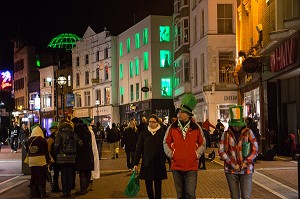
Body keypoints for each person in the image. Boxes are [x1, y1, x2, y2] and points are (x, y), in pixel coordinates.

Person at [164, 93, 206, 199]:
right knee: (180, 195)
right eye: (179, 111)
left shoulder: (196, 127)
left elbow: (203, 143)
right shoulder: (172, 127)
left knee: (190, 194)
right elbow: (166, 142)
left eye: (182, 112)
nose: (179, 114)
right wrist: (171, 154)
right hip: (176, 165)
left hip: (191, 166)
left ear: (188, 114)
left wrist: (197, 154)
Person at [219, 105, 258, 199]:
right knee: (234, 196)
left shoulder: (248, 132)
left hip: (246, 169)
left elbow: (255, 149)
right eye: (234, 124)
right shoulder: (226, 134)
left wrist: (246, 162)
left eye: (238, 124)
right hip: (231, 170)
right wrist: (233, 164)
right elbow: (221, 151)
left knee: (246, 196)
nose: (236, 127)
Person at [133, 114, 167, 199]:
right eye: (150, 122)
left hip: (158, 162)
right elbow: (139, 149)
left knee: (158, 184)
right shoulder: (144, 134)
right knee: (148, 184)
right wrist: (135, 163)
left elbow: (166, 148)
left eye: (153, 122)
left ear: (157, 123)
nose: (151, 124)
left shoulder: (162, 134)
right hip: (147, 162)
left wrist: (170, 161)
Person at [55, 119, 82, 198]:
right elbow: (80, 143)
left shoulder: (59, 134)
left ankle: (64, 192)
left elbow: (56, 145)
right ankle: (69, 192)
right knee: (70, 174)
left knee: (63, 175)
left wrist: (57, 153)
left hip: (61, 157)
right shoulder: (73, 133)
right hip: (71, 157)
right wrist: (75, 150)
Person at [72, 117, 94, 195]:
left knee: (82, 172)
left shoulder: (76, 130)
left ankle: (83, 189)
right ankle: (86, 186)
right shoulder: (87, 130)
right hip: (88, 152)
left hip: (81, 152)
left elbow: (75, 143)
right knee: (87, 170)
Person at [26, 125, 49, 198]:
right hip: (41, 160)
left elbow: (27, 151)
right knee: (41, 177)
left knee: (33, 176)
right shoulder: (42, 140)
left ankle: (32, 193)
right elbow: (46, 151)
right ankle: (42, 193)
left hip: (32, 161)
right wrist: (48, 162)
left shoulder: (29, 140)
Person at [82, 118, 100, 191]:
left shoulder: (90, 132)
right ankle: (89, 184)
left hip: (90, 152)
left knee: (90, 169)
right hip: (91, 152)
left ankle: (89, 184)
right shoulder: (90, 131)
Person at [47, 121, 61, 193]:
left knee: (55, 173)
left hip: (54, 157)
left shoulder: (52, 137)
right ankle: (55, 186)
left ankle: (55, 186)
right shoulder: (54, 137)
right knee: (55, 173)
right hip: (55, 157)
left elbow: (48, 148)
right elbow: (49, 148)